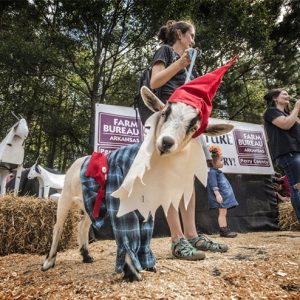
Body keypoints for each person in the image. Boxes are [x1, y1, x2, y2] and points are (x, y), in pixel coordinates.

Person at [138, 20, 228, 260]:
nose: (193, 41)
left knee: (187, 179)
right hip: (169, 119)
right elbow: (154, 82)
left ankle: (192, 235)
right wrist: (180, 64)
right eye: (191, 35)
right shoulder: (166, 52)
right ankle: (177, 240)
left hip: (187, 123)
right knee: (170, 178)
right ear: (179, 34)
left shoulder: (193, 67)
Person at [263, 89, 300, 222]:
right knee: (297, 187)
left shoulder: (290, 114)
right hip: (288, 154)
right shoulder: (271, 112)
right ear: (275, 98)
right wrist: (297, 108)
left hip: (297, 153)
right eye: (284, 94)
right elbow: (285, 124)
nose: (288, 96)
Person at [207, 145, 238, 237]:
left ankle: (225, 228)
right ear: (213, 162)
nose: (223, 162)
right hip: (221, 197)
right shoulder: (212, 172)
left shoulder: (217, 172)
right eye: (221, 160)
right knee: (222, 213)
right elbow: (213, 184)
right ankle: (223, 230)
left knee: (223, 212)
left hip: (224, 196)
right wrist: (217, 194)